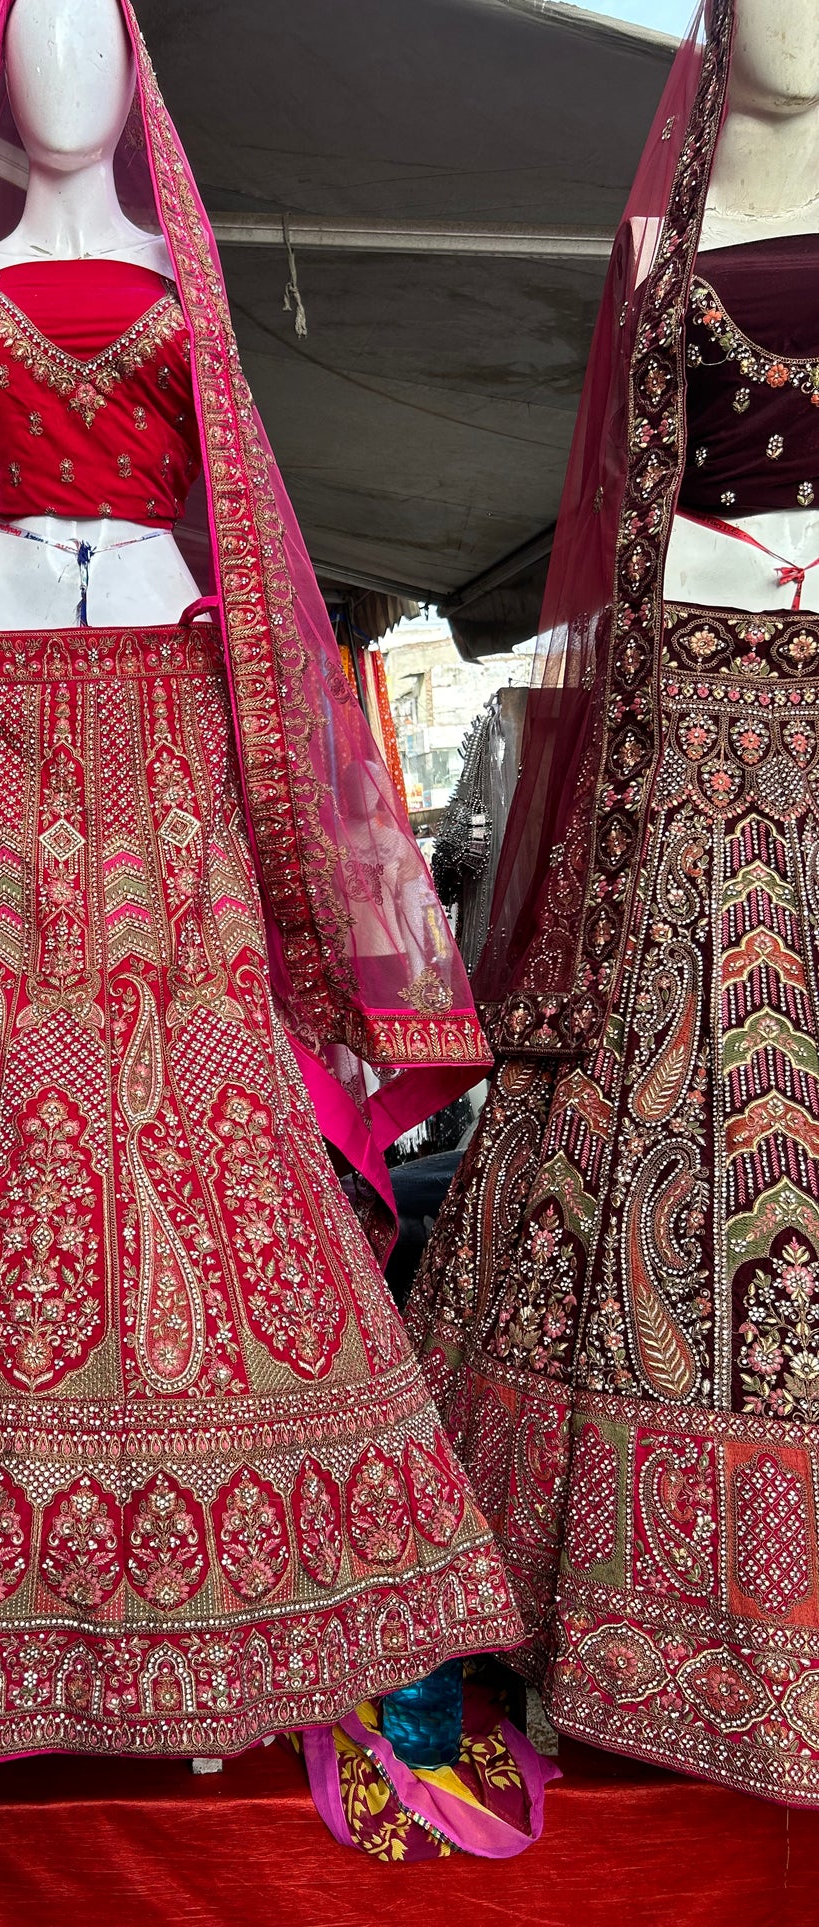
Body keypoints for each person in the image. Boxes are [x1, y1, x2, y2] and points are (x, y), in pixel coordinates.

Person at [0, 0, 520, 1761]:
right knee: (14, 1082)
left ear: (135, 68)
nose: (69, 73)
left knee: (204, 1078)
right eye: (39, 41)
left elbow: (237, 507)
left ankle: (258, 1564)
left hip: (168, 700)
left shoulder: (186, 280)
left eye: (96, 38)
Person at [407, 0, 819, 1805]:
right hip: (688, 739)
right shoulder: (663, 230)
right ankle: (621, 1609)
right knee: (660, 1115)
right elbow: (619, 521)